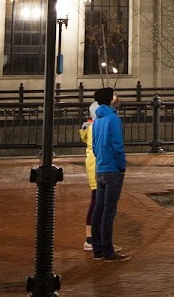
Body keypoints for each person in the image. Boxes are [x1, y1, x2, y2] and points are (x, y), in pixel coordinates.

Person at [90, 87, 130, 262]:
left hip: (100, 167)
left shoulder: (97, 119)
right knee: (109, 210)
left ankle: (97, 248)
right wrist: (122, 166)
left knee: (98, 209)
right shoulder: (113, 118)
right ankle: (108, 250)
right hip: (113, 168)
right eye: (114, 95)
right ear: (109, 99)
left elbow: (95, 143)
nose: (116, 97)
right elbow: (117, 144)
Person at [78, 97, 99, 252]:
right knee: (97, 203)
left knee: (95, 202)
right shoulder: (96, 127)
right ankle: (92, 239)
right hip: (98, 167)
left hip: (93, 166)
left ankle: (91, 238)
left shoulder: (90, 126)